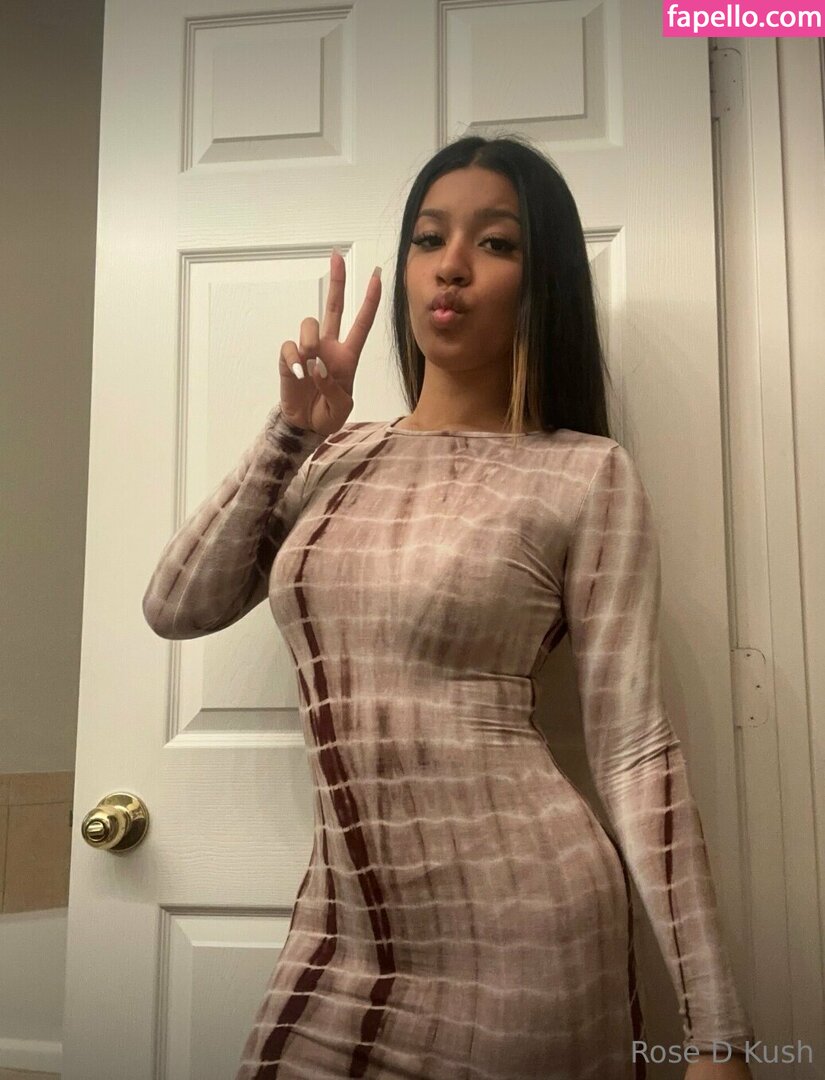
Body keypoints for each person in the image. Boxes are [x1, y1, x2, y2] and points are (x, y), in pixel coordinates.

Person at [143, 134, 755, 1079]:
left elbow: (634, 748)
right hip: (341, 931)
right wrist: (288, 435)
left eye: (495, 243)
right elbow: (175, 606)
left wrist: (715, 1030)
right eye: (429, 238)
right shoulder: (334, 457)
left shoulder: (584, 473)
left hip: (523, 932)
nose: (452, 265)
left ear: (541, 281)